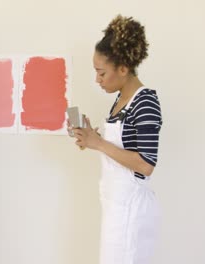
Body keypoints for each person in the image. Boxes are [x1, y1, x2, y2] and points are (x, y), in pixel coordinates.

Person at [69, 15, 162, 264]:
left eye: (101, 73)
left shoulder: (145, 102)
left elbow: (146, 163)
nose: (97, 80)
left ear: (123, 68)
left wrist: (98, 143)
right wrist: (92, 138)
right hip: (115, 206)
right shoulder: (120, 100)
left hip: (131, 210)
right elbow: (122, 149)